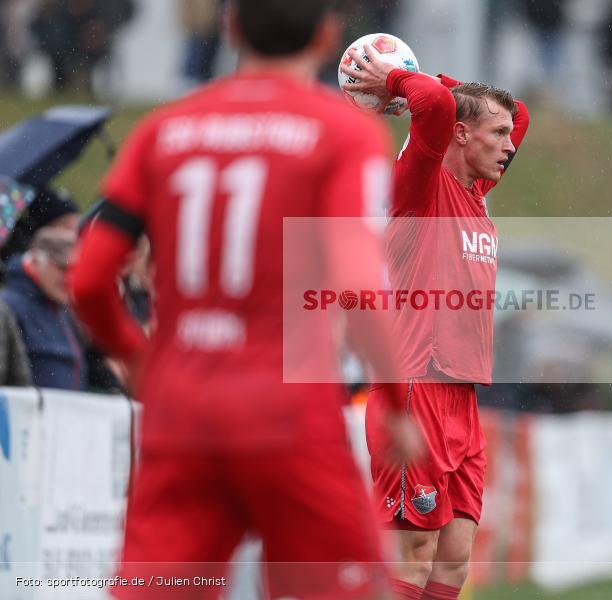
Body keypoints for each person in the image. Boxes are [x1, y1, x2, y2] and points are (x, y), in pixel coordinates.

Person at [68, 1, 421, 598]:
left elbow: (88, 276)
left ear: (230, 28)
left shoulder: (164, 129)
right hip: (286, 411)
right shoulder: (341, 132)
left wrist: (134, 355)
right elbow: (360, 283)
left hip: (180, 410)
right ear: (327, 35)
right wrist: (398, 400)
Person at [341, 43, 530, 599]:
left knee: (453, 561)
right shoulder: (421, 186)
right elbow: (434, 108)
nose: (510, 144)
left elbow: (519, 112)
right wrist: (399, 79)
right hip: (415, 385)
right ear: (461, 136)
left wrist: (447, 84)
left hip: (461, 394)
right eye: (496, 135)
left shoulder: (475, 191)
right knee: (412, 556)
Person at [3, 227, 83, 389]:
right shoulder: (9, 306)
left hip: (68, 412)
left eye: (75, 271)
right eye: (62, 268)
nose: (68, 279)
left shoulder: (66, 311)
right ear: (35, 262)